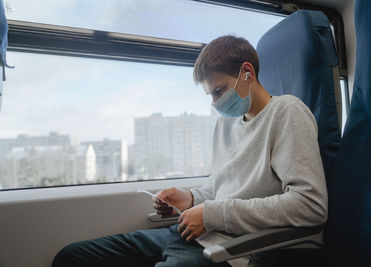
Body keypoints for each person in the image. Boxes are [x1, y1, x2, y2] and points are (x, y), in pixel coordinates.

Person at [52, 35, 327, 267]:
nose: (216, 102)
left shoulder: (286, 112)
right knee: (72, 257)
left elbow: (310, 205)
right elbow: (222, 188)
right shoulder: (226, 125)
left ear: (247, 72)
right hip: (188, 233)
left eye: (219, 90)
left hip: (230, 247)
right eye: (210, 95)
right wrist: (190, 198)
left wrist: (212, 215)